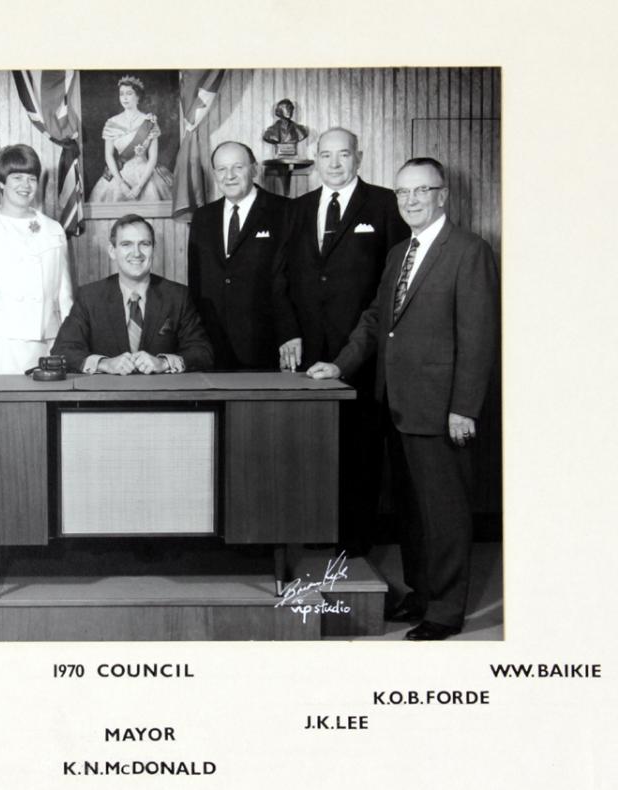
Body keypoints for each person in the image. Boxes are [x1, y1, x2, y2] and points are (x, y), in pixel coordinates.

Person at [308, 157, 499, 640]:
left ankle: (446, 610)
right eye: (403, 193)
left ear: (443, 195)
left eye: (421, 191)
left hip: (443, 410)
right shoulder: (399, 252)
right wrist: (341, 364)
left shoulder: (469, 251)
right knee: (413, 512)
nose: (411, 200)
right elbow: (376, 321)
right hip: (396, 403)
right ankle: (421, 592)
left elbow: (478, 338)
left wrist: (464, 408)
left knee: (447, 513)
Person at [280, 127, 410, 556]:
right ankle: (314, 532)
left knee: (361, 448)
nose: (334, 164)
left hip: (365, 350)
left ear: (358, 157)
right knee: (310, 444)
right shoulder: (298, 209)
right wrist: (289, 331)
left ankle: (354, 542)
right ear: (315, 159)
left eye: (343, 155)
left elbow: (395, 284)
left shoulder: (386, 203)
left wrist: (366, 344)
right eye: (326, 156)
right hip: (308, 350)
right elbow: (280, 277)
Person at [52, 214, 213, 374]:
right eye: (126, 244)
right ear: (112, 251)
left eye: (144, 244)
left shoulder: (177, 296)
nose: (136, 253)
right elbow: (62, 351)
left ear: (153, 249)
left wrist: (164, 363)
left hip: (163, 397)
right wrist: (104, 364)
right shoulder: (90, 297)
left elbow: (203, 353)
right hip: (107, 396)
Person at [187, 141, 295, 370]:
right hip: (212, 346)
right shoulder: (202, 218)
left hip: (267, 345)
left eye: (238, 167)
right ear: (215, 174)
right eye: (222, 169)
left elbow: (294, 280)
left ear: (254, 169)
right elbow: (196, 283)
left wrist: (290, 333)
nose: (230, 176)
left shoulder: (284, 211)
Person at [0, 144, 73, 374]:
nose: (25, 185)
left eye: (31, 178)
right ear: (1, 182)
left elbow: (65, 294)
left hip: (47, 339)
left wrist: (70, 340)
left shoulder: (53, 229)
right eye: (17, 177)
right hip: (1, 343)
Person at [88, 75, 173, 202]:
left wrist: (139, 187)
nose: (125, 98)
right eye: (121, 94)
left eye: (129, 93)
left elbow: (153, 158)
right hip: (119, 174)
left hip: (146, 173)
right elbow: (109, 156)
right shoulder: (111, 123)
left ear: (138, 97)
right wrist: (121, 184)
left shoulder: (149, 121)